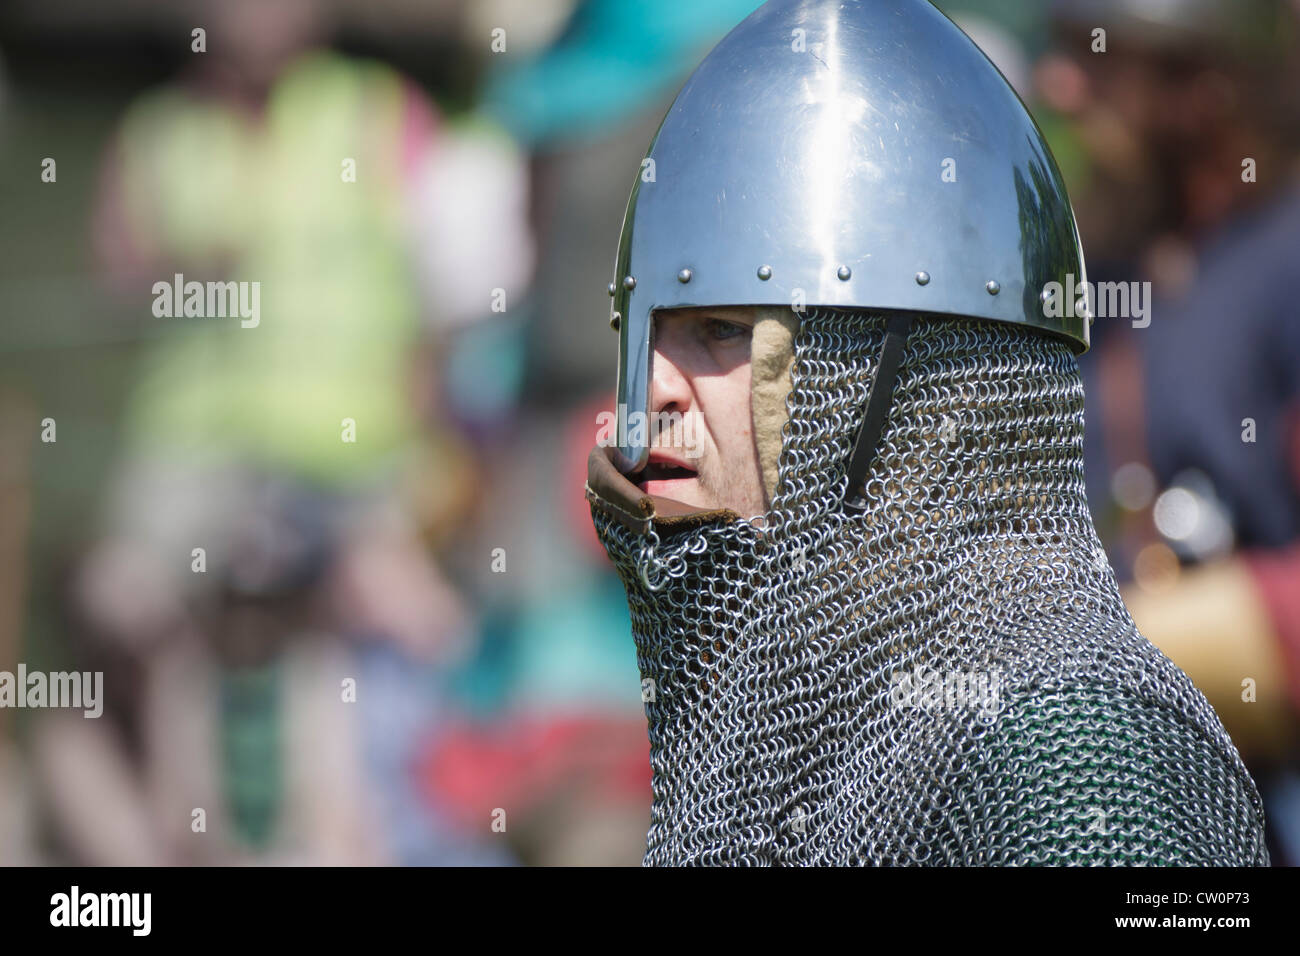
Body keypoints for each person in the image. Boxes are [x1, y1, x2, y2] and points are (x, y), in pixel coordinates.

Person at [584, 0, 1268, 866]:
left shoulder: (1071, 746)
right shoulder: (795, 726)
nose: (650, 396)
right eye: (647, 333)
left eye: (721, 331)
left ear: (903, 390)